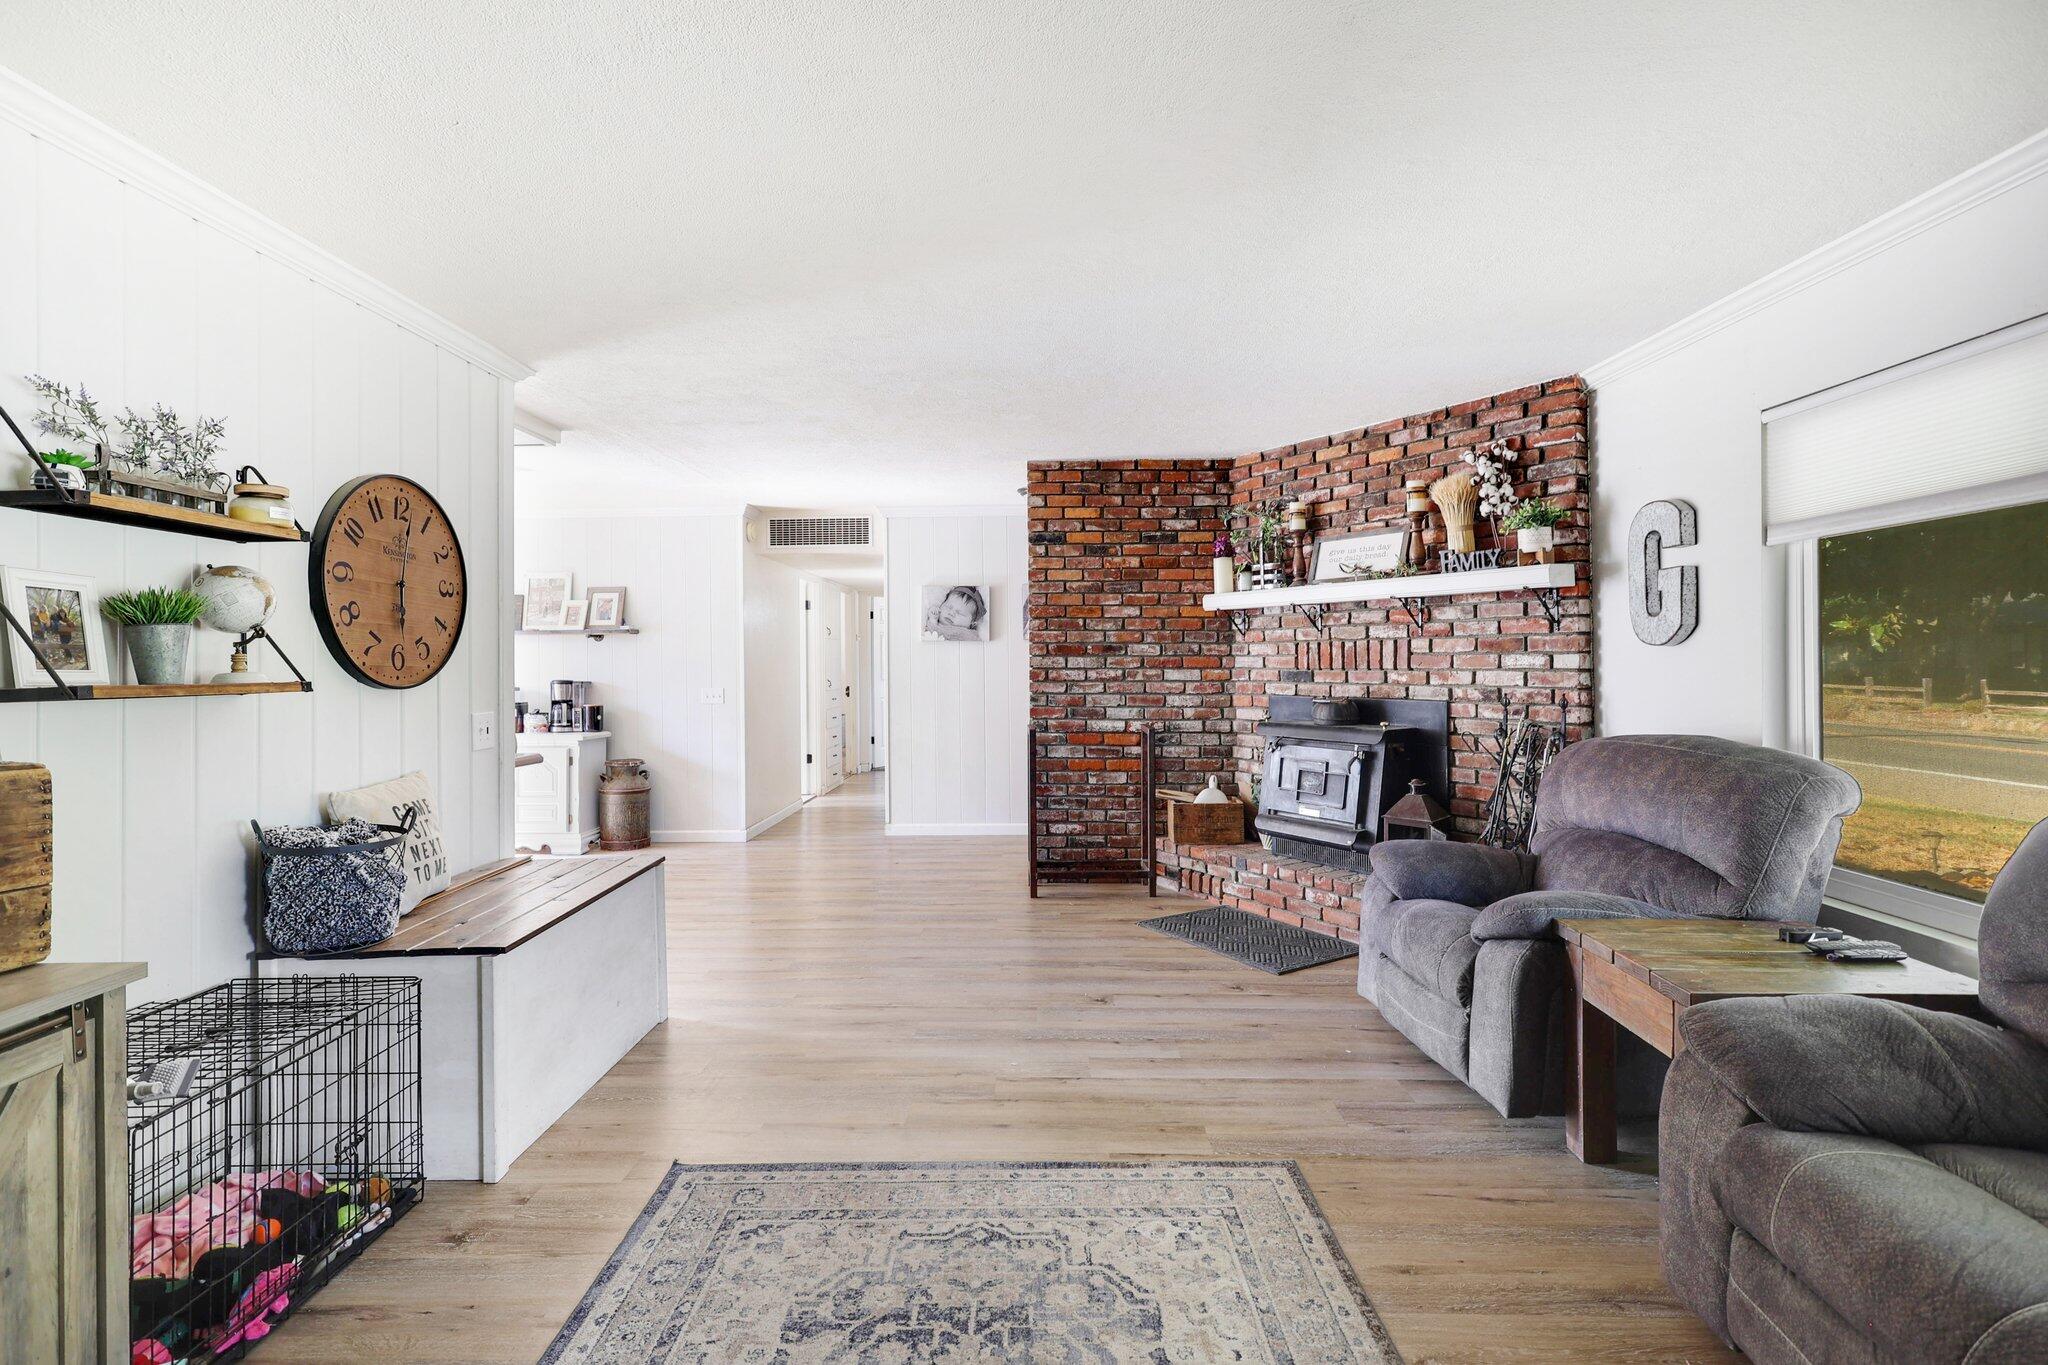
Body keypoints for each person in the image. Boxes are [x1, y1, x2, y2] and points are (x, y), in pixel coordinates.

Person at [923, 586, 987, 641]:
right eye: (948, 607)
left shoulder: (969, 635)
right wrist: (933, 618)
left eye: (960, 613)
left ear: (972, 623)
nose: (951, 613)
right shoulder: (937, 624)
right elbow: (931, 632)